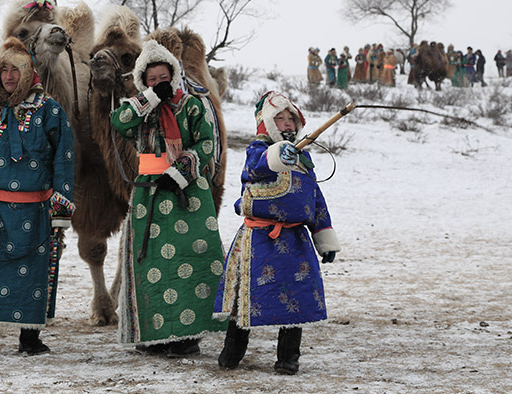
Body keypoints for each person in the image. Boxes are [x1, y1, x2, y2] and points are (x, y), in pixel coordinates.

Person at [0, 37, 75, 357]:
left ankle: (30, 338)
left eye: (16, 70)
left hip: (35, 207)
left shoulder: (50, 109)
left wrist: (61, 203)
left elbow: (64, 158)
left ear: (29, 72)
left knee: (32, 272)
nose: (9, 76)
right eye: (3, 69)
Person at [110, 39, 227, 357]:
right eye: (152, 80)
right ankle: (153, 334)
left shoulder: (193, 105)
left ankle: (187, 336)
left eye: (163, 78)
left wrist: (180, 172)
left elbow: (206, 143)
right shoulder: (139, 110)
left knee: (187, 262)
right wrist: (148, 99)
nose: (159, 84)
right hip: (148, 193)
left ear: (173, 75)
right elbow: (118, 122)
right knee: (151, 264)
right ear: (143, 82)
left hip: (185, 193)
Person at [214, 91, 340, 375]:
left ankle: (288, 358)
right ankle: (232, 353)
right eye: (279, 119)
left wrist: (324, 237)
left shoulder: (303, 159)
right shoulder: (257, 151)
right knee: (245, 300)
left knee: (295, 301)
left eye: (290, 118)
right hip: (259, 242)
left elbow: (315, 199)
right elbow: (255, 169)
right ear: (266, 124)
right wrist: (276, 156)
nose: (286, 124)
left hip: (296, 242)